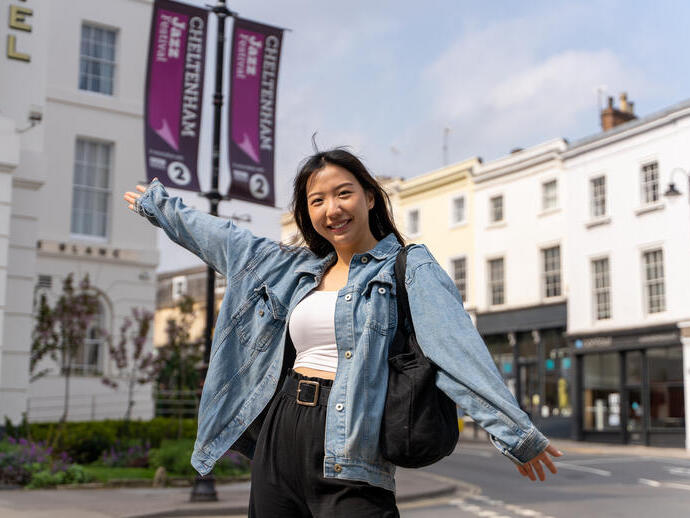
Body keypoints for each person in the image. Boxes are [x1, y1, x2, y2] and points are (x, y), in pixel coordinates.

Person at [124, 148, 563, 517]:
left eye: (342, 193)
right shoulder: (294, 269)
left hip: (350, 447)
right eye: (317, 201)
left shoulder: (408, 268)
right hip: (280, 433)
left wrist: (515, 433)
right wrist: (162, 208)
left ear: (370, 197)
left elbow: (456, 351)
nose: (331, 209)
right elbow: (228, 241)